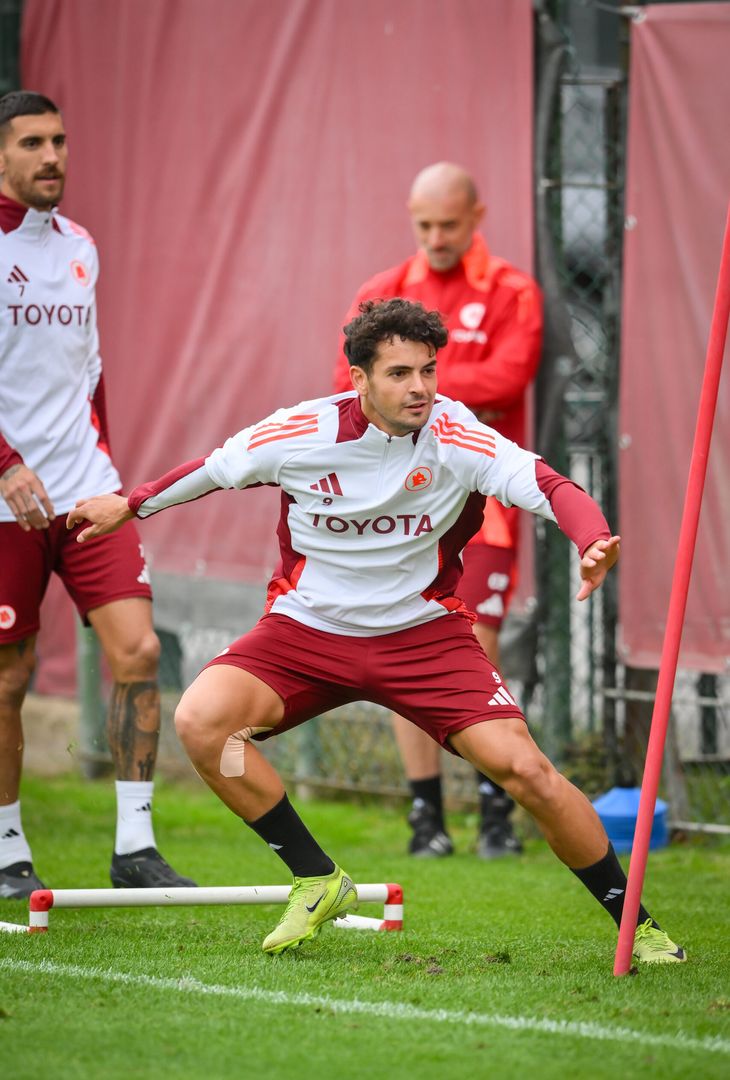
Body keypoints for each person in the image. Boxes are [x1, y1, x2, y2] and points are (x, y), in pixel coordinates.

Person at [68, 297, 684, 965]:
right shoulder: (301, 431)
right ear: (358, 379)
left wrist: (592, 539)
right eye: (399, 373)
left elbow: (550, 484)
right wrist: (130, 504)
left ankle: (639, 928)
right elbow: (212, 471)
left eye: (428, 370)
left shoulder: (459, 436)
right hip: (306, 633)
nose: (420, 388)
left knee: (529, 772)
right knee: (202, 723)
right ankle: (316, 878)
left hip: (424, 636)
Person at [0, 91, 195, 897]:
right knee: (9, 677)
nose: (53, 156)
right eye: (32, 143)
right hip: (6, 500)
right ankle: (7, 851)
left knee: (139, 651)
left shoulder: (81, 245)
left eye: (60, 141)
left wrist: (104, 464)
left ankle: (135, 849)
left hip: (86, 489)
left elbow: (91, 372)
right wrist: (6, 464)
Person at [334, 162, 542, 858]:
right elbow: (347, 383)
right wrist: (448, 389)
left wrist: (410, 387)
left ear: (476, 217)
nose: (436, 237)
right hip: (399, 500)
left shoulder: (513, 290)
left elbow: (512, 376)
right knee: (402, 641)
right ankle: (427, 817)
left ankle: (494, 810)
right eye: (423, 224)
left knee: (479, 644)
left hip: (485, 505)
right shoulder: (383, 290)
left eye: (448, 224)